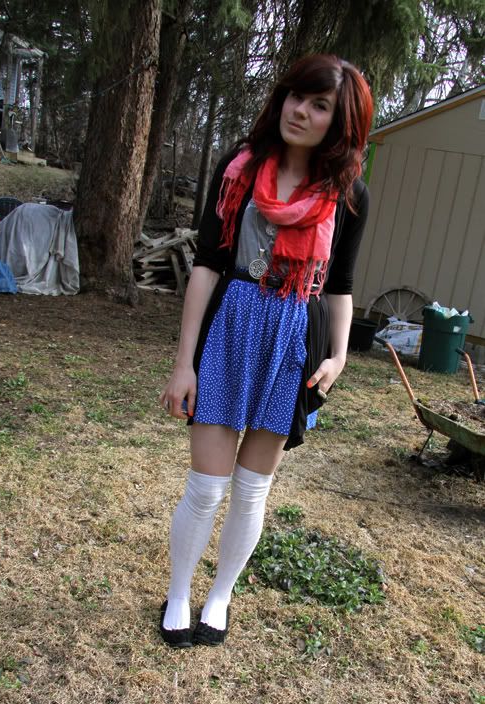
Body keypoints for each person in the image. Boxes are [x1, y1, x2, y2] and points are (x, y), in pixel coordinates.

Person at [158, 54, 373, 648]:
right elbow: (206, 264)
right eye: (296, 96)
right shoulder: (241, 166)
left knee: (253, 489)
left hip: (292, 340)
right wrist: (184, 363)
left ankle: (219, 596)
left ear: (340, 122)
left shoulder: (348, 193)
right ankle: (178, 593)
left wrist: (339, 355)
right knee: (206, 487)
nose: (299, 111)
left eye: (319, 105)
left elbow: (340, 285)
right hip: (231, 330)